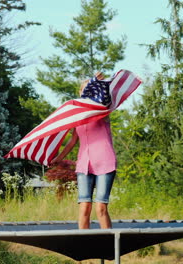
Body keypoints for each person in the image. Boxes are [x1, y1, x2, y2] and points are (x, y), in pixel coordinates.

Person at [51, 72, 116, 229]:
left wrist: (98, 82)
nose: (84, 93)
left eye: (88, 90)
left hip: (105, 163)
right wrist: (58, 158)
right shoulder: (77, 118)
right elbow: (73, 141)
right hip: (84, 165)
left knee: (101, 208)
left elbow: (104, 98)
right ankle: (84, 247)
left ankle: (109, 248)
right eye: (82, 90)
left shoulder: (102, 112)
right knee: (84, 208)